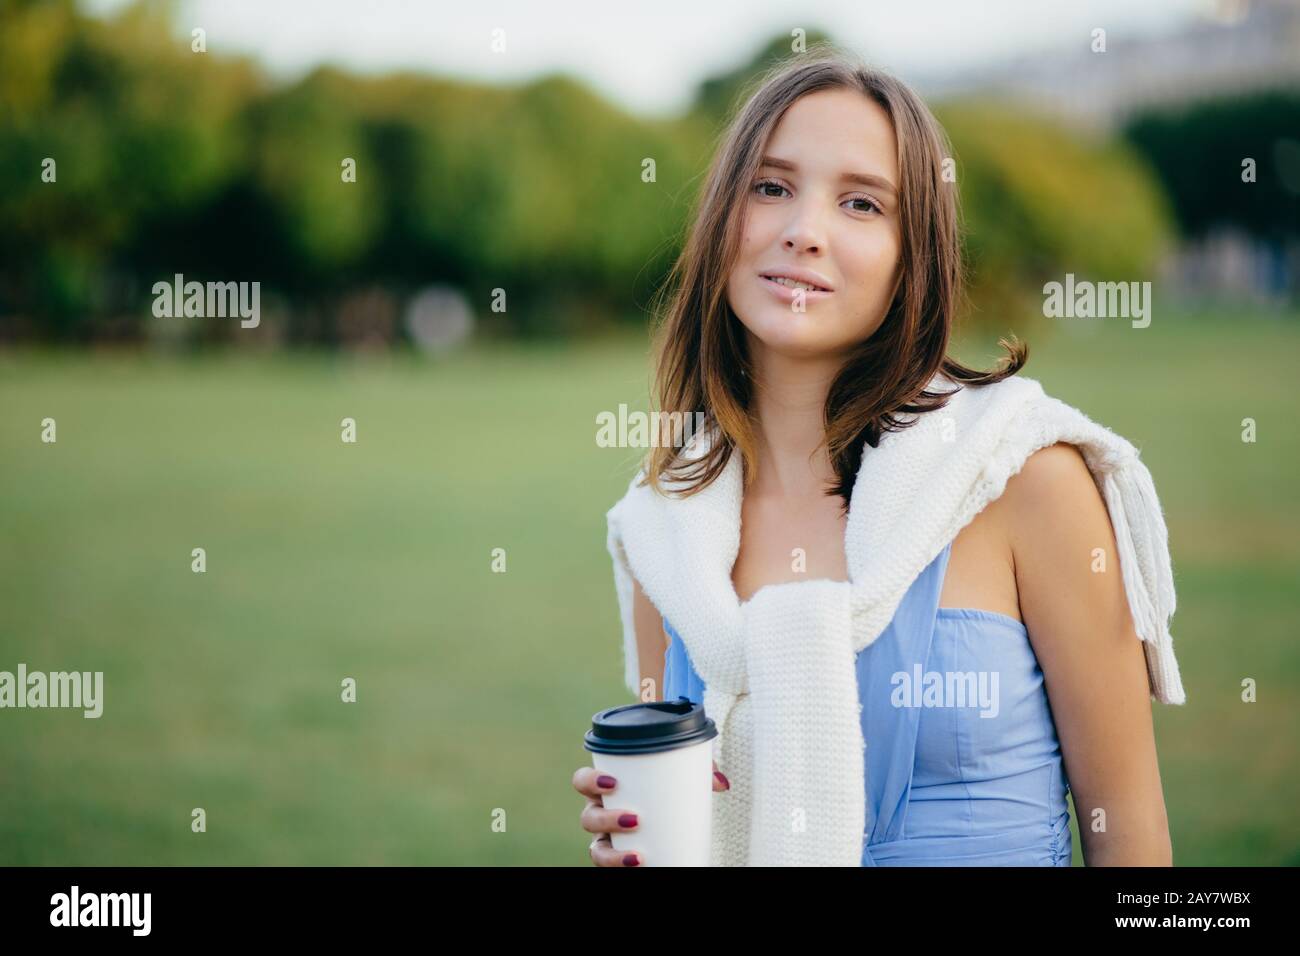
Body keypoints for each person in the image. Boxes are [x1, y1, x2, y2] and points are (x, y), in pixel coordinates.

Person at [574, 47, 1178, 866]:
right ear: (723, 217)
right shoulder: (664, 528)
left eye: (861, 204)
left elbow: (1133, 839)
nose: (803, 232)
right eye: (772, 186)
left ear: (911, 254)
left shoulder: (1025, 479)